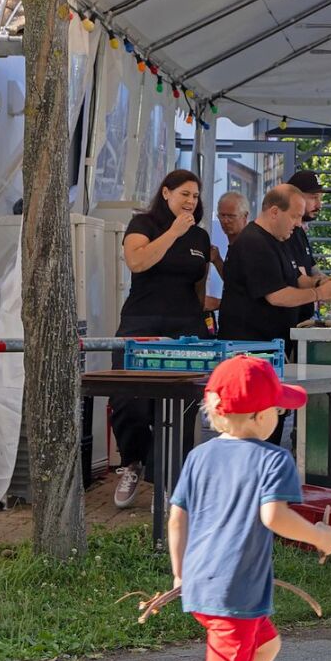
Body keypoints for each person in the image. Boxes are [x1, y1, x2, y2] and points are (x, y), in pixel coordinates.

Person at [169, 355, 331, 661]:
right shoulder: (273, 459)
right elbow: (274, 516)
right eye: (278, 409)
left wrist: (180, 574)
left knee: (265, 647)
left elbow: (178, 520)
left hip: (199, 585)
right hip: (235, 593)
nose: (280, 413)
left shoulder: (199, 456)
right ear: (260, 417)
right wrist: (319, 536)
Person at [112, 169, 211, 509]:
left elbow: (199, 285)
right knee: (131, 400)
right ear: (166, 193)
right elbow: (137, 262)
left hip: (186, 326)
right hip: (142, 322)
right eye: (184, 194)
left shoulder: (200, 238)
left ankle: (167, 481)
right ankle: (133, 461)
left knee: (182, 404)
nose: (190, 201)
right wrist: (172, 232)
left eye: (196, 196)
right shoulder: (144, 225)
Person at [218, 185, 331, 446]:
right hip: (248, 352)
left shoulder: (279, 241)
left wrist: (325, 284)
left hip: (271, 350)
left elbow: (297, 281)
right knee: (252, 431)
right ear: (275, 211)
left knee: (271, 428)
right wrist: (319, 295)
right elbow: (277, 295)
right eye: (295, 216)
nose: (299, 224)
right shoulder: (254, 242)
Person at [285, 170, 328, 324]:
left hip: (302, 322)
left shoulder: (299, 232)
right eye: (314, 197)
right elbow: (299, 279)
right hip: (285, 326)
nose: (319, 205)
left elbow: (312, 268)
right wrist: (322, 288)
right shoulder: (284, 233)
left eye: (320, 198)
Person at [204, 191, 251, 312]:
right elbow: (233, 279)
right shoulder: (234, 244)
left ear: (245, 216)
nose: (225, 221)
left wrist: (218, 303)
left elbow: (249, 289)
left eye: (231, 216)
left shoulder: (250, 245)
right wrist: (217, 260)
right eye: (222, 215)